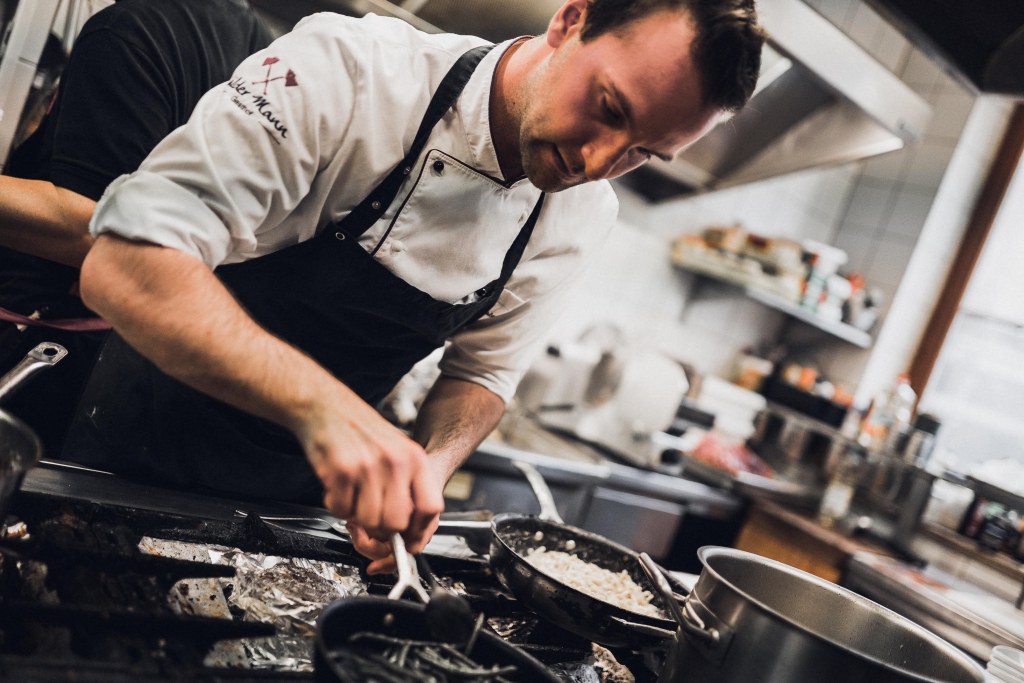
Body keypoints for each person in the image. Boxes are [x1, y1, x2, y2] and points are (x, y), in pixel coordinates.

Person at [67, 0, 764, 573]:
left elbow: (483, 374)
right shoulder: (354, 71)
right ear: (570, 20)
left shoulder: (583, 216)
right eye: (609, 107)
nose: (597, 161)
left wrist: (430, 469)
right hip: (126, 465)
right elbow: (126, 260)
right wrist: (325, 411)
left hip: (295, 526)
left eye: (643, 152)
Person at [0, 0, 273, 456]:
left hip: (41, 347)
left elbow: (94, 229)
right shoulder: (260, 47)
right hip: (121, 367)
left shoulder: (127, 30)